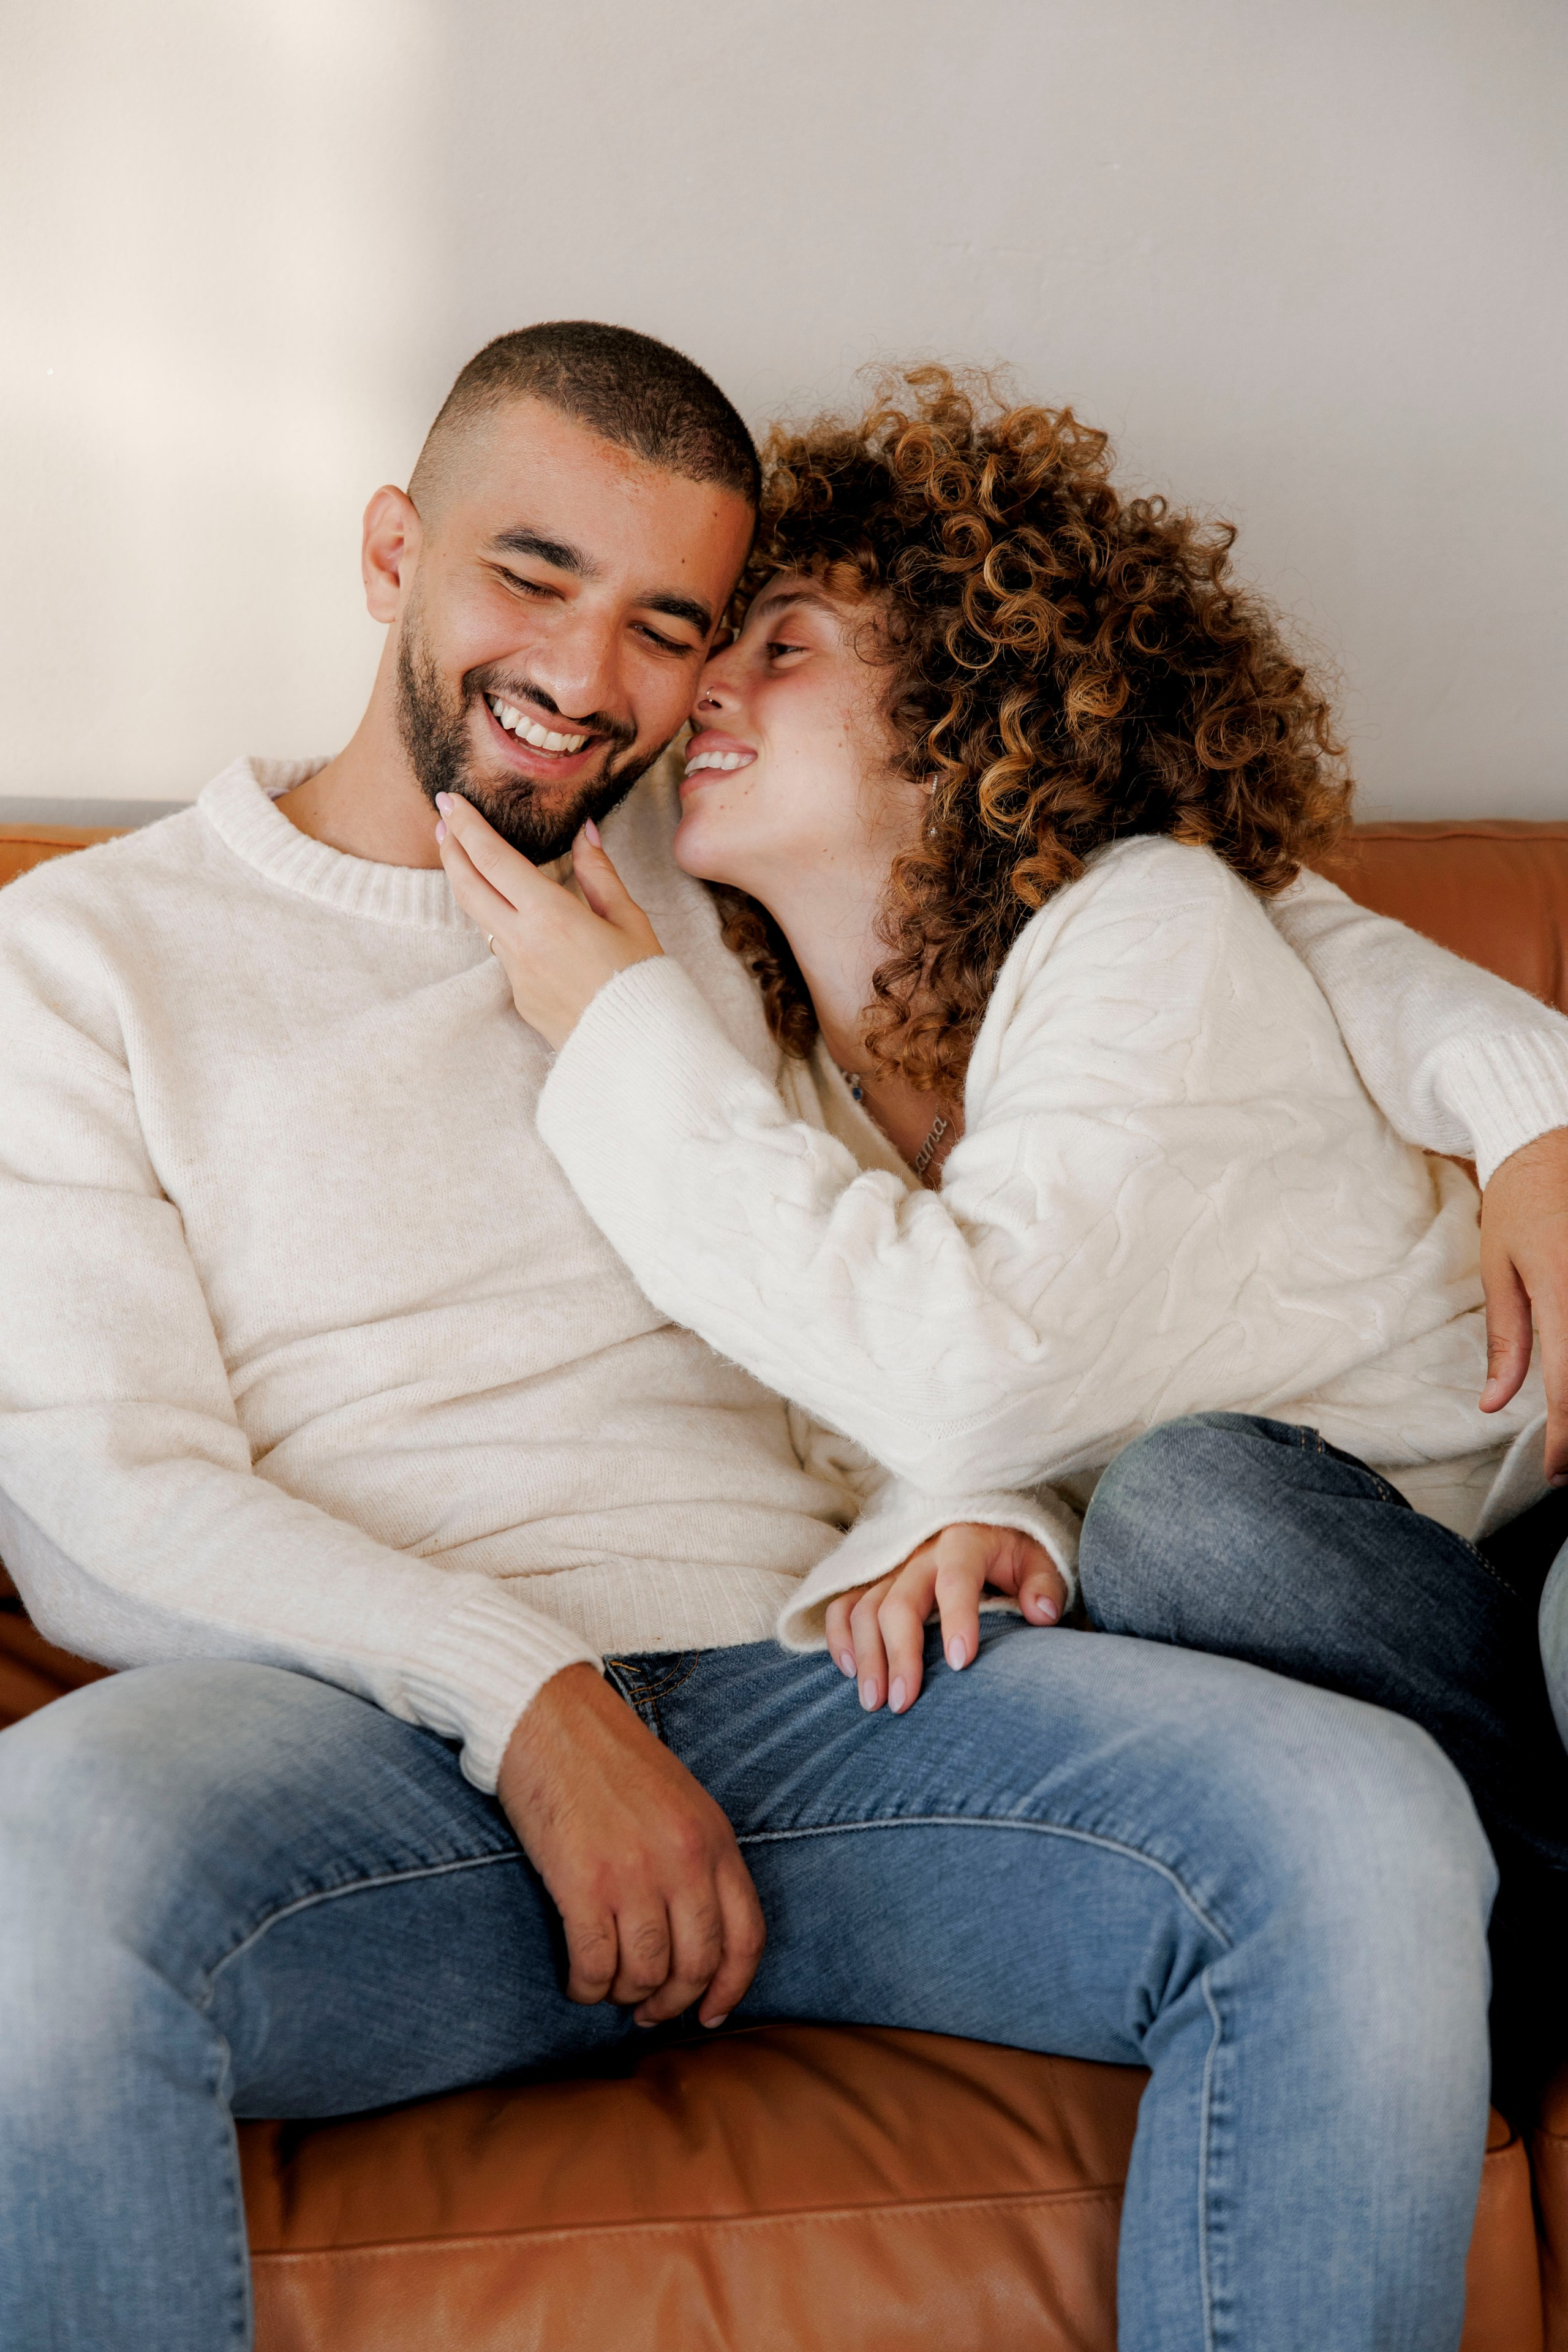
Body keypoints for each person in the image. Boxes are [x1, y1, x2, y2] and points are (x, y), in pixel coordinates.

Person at [0, 326, 1560, 2352]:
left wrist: (1529, 1102)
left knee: (1358, 1827)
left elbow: (1195, 910)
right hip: (367, 1740)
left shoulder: (711, 864)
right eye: (529, 574)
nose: (592, 677)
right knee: (43, 1866)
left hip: (820, 1699)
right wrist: (529, 1699)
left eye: (676, 624)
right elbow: (103, 1502)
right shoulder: (83, 958)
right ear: (394, 551)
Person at [434, 365, 1568, 2124]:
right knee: (1166, 1528)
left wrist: (611, 1027)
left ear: (967, 709)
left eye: (781, 645)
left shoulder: (1145, 926)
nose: (700, 688)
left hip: (1504, 1531)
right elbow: (988, 1381)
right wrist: (997, 1510)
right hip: (1329, 1627)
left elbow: (976, 1369)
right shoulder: (792, 1081)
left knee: (1197, 1518)